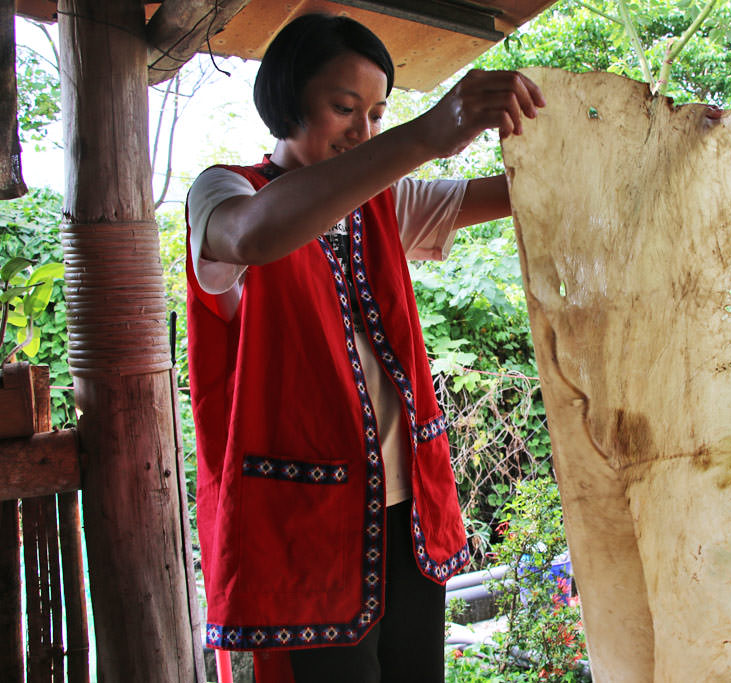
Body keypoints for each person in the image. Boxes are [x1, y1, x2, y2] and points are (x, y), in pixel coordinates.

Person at [184, 13, 544, 683]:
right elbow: (258, 237)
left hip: (409, 513)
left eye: (378, 113)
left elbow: (526, 195)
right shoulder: (224, 191)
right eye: (344, 108)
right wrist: (427, 134)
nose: (365, 130)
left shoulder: (382, 203)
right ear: (288, 101)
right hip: (301, 528)